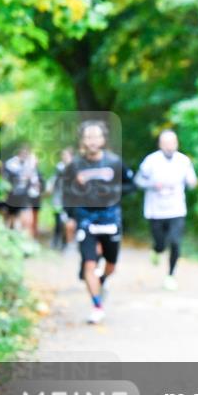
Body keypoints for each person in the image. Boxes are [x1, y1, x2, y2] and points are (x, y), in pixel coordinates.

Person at [62, 120, 136, 324]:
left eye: (96, 136)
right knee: (89, 263)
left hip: (110, 218)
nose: (92, 141)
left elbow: (132, 184)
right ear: (82, 140)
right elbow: (66, 193)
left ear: (103, 139)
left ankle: (100, 281)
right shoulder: (75, 165)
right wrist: (70, 217)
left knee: (111, 265)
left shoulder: (114, 162)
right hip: (85, 218)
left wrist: (114, 192)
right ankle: (97, 305)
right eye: (88, 137)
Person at [135, 129, 197, 291]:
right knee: (161, 243)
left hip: (176, 209)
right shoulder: (151, 161)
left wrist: (192, 183)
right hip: (155, 210)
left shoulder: (183, 161)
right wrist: (152, 185)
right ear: (160, 144)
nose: (170, 146)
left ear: (177, 143)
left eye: (173, 142)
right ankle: (157, 250)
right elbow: (138, 180)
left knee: (176, 242)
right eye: (166, 143)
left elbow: (192, 180)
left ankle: (170, 275)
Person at [2, 144, 42, 239]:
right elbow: (12, 175)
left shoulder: (28, 164)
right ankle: (8, 234)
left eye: (27, 154)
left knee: (22, 216)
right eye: (24, 153)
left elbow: (34, 180)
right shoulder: (11, 163)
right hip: (11, 194)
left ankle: (18, 236)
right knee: (10, 215)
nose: (25, 155)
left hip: (23, 195)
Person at [47, 147, 75, 250]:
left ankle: (66, 243)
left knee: (68, 223)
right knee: (58, 221)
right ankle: (56, 240)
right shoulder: (59, 167)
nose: (64, 157)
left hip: (71, 200)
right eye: (63, 155)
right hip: (58, 199)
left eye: (66, 155)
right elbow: (54, 180)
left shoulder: (75, 167)